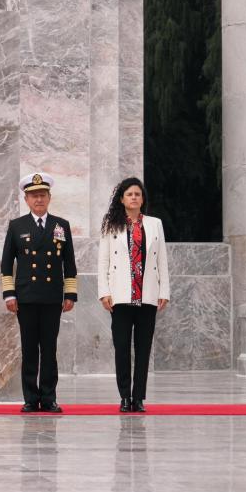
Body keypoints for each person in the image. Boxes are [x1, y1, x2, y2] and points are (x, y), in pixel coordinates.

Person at [1, 172, 77, 413]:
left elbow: (70, 262)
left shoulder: (60, 225)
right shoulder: (17, 226)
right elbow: (6, 264)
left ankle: (49, 397)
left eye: (42, 195)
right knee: (30, 349)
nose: (38, 200)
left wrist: (70, 294)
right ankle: (30, 398)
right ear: (26, 199)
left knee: (50, 349)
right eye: (33, 196)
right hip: (26, 297)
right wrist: (9, 294)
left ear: (49, 197)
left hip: (52, 297)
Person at [97, 177, 170, 413]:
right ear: (122, 199)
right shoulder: (111, 226)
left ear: (143, 199)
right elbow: (103, 262)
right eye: (129, 194)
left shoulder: (154, 224)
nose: (134, 197)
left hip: (147, 294)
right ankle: (124, 396)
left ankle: (138, 397)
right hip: (120, 296)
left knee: (143, 348)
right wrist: (104, 292)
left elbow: (162, 261)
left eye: (138, 194)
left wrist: (164, 291)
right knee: (121, 348)